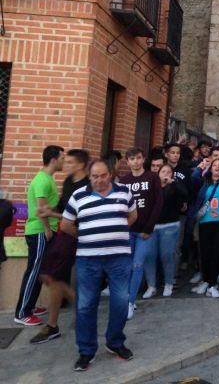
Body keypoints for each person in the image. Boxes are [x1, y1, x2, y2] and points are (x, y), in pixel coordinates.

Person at [61, 159, 137, 371]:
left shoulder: (124, 192)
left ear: (110, 174)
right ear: (89, 176)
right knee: (85, 305)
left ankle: (115, 342)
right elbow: (66, 224)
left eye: (103, 176)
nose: (99, 180)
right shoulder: (78, 196)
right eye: (95, 176)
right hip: (88, 258)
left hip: (119, 257)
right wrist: (86, 236)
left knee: (121, 301)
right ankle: (86, 351)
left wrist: (115, 231)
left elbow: (132, 216)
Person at [29, 149, 90, 344]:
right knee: (50, 277)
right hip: (64, 235)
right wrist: (50, 210)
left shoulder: (88, 186)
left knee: (52, 277)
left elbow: (78, 218)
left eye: (71, 162)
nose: (66, 164)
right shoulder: (69, 182)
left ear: (81, 165)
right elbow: (65, 209)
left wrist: (51, 215)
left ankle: (68, 317)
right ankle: (57, 322)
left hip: (75, 237)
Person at [15, 145, 64, 326]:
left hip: (41, 231)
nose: (63, 162)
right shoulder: (42, 180)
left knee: (39, 272)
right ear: (53, 160)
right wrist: (50, 226)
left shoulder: (47, 178)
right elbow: (42, 210)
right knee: (34, 271)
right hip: (38, 232)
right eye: (62, 158)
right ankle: (22, 313)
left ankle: (30, 306)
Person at [118, 147, 163, 319]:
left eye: (138, 158)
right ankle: (128, 298)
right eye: (132, 159)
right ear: (127, 161)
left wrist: (149, 227)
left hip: (145, 231)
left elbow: (158, 203)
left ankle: (129, 302)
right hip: (128, 230)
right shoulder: (123, 180)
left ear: (143, 159)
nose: (135, 162)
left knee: (138, 265)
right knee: (127, 266)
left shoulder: (152, 178)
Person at [190, 158, 219, 298]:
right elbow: (193, 177)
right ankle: (206, 281)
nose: (217, 167)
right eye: (214, 165)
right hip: (205, 221)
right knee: (205, 253)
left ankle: (213, 284)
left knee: (217, 253)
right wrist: (201, 166)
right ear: (210, 168)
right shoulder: (204, 182)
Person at [145, 163, 187, 297]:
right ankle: (151, 286)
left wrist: (173, 183)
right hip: (153, 226)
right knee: (150, 256)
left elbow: (185, 195)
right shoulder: (153, 187)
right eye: (163, 171)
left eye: (169, 172)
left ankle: (168, 283)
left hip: (170, 225)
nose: (166, 174)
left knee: (167, 255)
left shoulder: (175, 187)